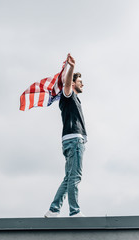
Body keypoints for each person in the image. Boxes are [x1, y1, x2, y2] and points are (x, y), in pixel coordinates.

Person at [44, 53, 87, 218]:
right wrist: (71, 68)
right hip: (75, 140)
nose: (83, 84)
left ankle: (54, 209)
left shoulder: (72, 99)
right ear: (73, 83)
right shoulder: (68, 95)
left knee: (68, 177)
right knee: (75, 176)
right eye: (80, 81)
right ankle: (74, 211)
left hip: (71, 141)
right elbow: (67, 85)